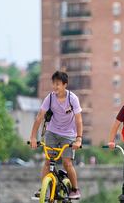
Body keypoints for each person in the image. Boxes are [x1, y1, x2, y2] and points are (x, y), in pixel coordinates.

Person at [29, 71, 83, 199]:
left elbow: (79, 120)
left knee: (66, 163)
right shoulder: (50, 98)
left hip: (68, 135)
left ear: (65, 85)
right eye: (53, 84)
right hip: (52, 132)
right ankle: (43, 189)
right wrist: (33, 137)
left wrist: (78, 139)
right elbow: (39, 117)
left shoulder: (72, 98)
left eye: (58, 84)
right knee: (48, 161)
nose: (55, 87)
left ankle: (75, 189)